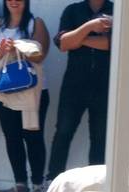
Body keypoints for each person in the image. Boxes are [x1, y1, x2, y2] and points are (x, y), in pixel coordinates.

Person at [0, 0, 50, 192]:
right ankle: (20, 183)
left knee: (33, 136)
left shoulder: (35, 23)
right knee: (12, 137)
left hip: (32, 90)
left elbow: (40, 54)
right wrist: (0, 51)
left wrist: (19, 47)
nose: (14, 1)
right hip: (3, 90)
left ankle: (38, 184)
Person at [45, 0, 111, 182]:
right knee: (63, 132)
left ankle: (96, 186)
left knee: (100, 137)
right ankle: (52, 181)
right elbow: (64, 43)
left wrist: (79, 38)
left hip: (106, 85)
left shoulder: (116, 11)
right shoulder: (72, 10)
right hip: (74, 84)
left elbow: (114, 44)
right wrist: (90, 26)